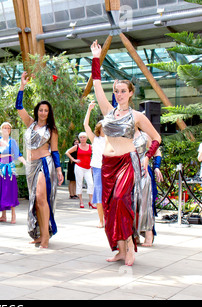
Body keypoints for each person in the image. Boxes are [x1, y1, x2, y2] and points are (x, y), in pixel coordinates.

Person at [90, 40, 161, 266]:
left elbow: (156, 137)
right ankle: (120, 250)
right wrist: (95, 58)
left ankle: (130, 244)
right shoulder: (108, 113)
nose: (119, 94)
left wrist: (148, 156)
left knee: (122, 201)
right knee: (110, 209)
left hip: (127, 163)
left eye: (123, 91)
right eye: (117, 91)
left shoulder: (137, 116)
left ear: (130, 93)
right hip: (107, 165)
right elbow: (97, 86)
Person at [16, 71, 64, 249]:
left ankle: (45, 237)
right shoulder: (30, 123)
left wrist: (59, 170)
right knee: (35, 200)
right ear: (37, 111)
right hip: (31, 166)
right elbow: (18, 106)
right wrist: (22, 85)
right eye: (41, 109)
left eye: (46, 110)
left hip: (45, 164)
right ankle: (38, 233)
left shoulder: (52, 130)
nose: (43, 112)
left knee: (41, 198)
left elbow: (56, 151)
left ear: (49, 113)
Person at [0, 104, 26, 224]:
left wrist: (26, 163)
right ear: (1, 129)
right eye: (4, 128)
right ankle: (3, 216)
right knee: (1, 189)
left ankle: (13, 215)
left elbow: (18, 155)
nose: (6, 130)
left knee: (10, 189)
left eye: (8, 128)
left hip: (9, 167)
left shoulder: (12, 141)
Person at [83, 101, 106, 227]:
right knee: (99, 193)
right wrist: (89, 110)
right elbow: (85, 125)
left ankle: (108, 219)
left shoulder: (111, 140)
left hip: (109, 169)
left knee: (109, 195)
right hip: (97, 168)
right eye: (103, 127)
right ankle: (101, 220)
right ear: (99, 128)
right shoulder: (95, 139)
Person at [65, 132, 95, 209]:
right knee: (79, 183)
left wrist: (93, 163)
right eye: (81, 137)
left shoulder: (90, 146)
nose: (82, 139)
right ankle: (81, 201)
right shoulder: (77, 146)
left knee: (91, 184)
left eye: (84, 137)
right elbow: (67, 152)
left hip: (88, 168)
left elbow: (96, 153)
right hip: (79, 167)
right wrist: (74, 160)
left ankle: (91, 201)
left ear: (86, 138)